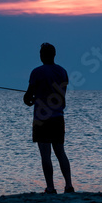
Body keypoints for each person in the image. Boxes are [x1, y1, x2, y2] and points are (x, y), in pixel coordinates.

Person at [23, 42, 74, 194]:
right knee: (60, 152)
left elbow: (27, 97)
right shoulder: (62, 72)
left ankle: (50, 187)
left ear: (42, 55)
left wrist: (31, 100)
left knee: (45, 154)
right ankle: (69, 185)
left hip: (42, 118)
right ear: (54, 55)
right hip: (58, 117)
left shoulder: (37, 72)